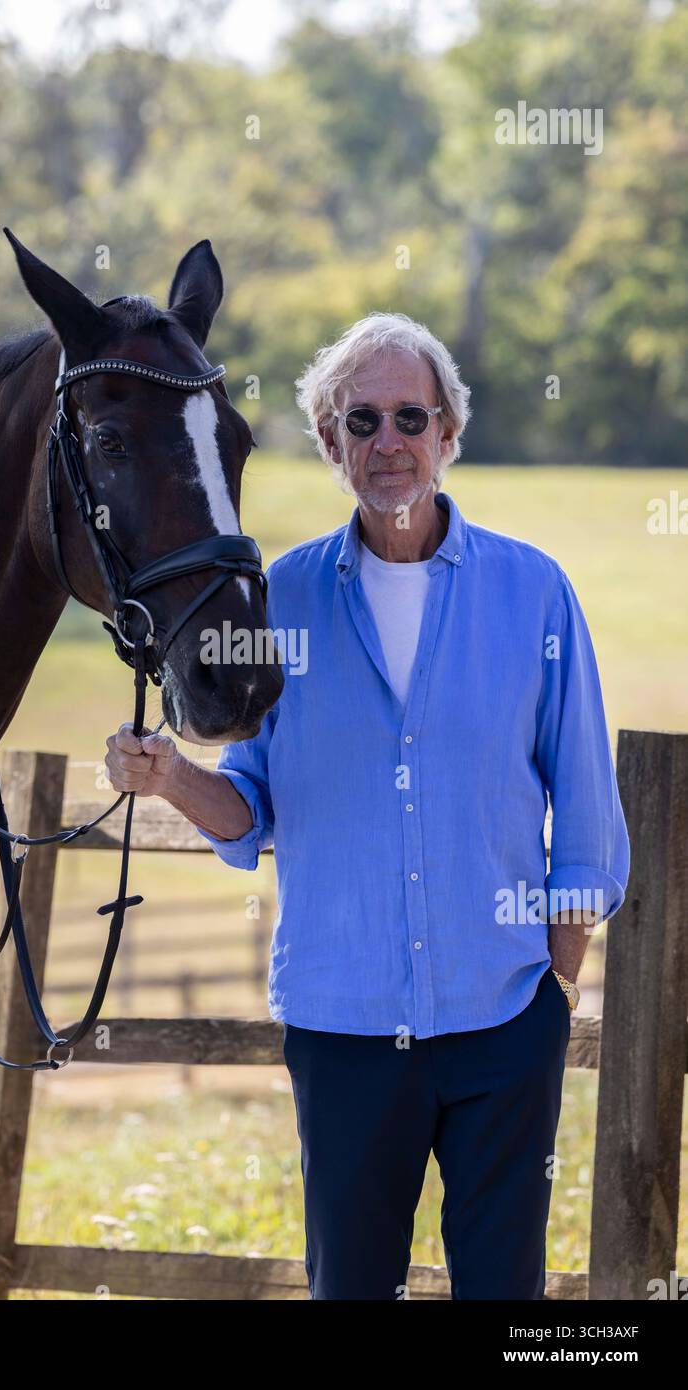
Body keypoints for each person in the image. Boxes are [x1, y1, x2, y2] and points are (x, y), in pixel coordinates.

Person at [104, 311, 630, 1300]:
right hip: (342, 1029)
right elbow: (249, 809)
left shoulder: (535, 593)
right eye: (359, 422)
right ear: (330, 443)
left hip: (502, 1020)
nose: (386, 441)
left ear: (447, 433)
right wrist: (170, 775)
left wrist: (553, 984)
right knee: (349, 1288)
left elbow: (588, 814)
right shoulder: (278, 600)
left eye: (407, 416)